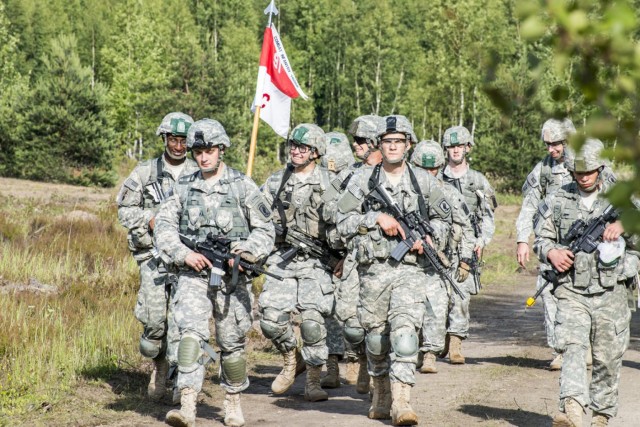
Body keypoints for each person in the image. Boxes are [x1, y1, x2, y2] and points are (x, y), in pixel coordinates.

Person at [154, 119, 275, 427]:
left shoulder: (242, 185)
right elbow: (165, 227)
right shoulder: (183, 185)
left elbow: (266, 229)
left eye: (208, 150)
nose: (202, 157)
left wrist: (245, 252)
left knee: (231, 343)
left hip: (231, 279)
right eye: (197, 151)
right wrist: (184, 254)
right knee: (191, 336)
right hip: (192, 275)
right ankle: (188, 404)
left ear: (221, 149)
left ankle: (232, 402)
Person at [335, 115, 455, 426]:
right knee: (376, 340)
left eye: (398, 142)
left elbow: (445, 220)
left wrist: (429, 238)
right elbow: (341, 222)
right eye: (387, 141)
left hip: (410, 270)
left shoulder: (423, 181)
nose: (392, 147)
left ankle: (403, 401)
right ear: (380, 144)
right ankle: (382, 392)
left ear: (408, 145)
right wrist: (374, 218)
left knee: (404, 335)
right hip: (373, 271)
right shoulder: (363, 180)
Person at [533, 138, 638, 427]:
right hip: (571, 289)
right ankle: (573, 411)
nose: (584, 177)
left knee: (607, 358)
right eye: (579, 172)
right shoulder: (556, 200)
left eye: (589, 171)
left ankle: (601, 416)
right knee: (573, 349)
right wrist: (552, 252)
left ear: (600, 169)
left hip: (612, 291)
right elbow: (541, 239)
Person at [116, 112, 197, 402]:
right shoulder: (144, 172)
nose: (178, 146)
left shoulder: (199, 171)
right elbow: (124, 210)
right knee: (154, 323)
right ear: (164, 139)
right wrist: (150, 218)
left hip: (186, 260)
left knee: (183, 320)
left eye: (183, 140)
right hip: (152, 256)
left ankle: (180, 380)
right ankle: (159, 365)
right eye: (173, 139)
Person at [259, 123, 337, 402]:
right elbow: (257, 218)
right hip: (282, 258)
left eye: (302, 147)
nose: (295, 151)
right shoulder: (275, 181)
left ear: (315, 152)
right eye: (293, 145)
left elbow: (343, 223)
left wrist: (341, 256)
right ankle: (291, 360)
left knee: (312, 323)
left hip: (316, 261)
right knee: (270, 320)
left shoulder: (330, 183)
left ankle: (313, 378)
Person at [322, 116, 384, 392]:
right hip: (355, 256)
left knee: (382, 322)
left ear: (374, 142)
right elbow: (332, 210)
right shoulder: (353, 175)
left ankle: (379, 375)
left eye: (360, 140)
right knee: (350, 320)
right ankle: (361, 359)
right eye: (355, 140)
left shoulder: (398, 174)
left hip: (389, 260)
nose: (354, 145)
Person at [409, 140, 475, 374]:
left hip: (439, 261)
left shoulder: (449, 193)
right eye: (422, 169)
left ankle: (430, 353)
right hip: (408, 262)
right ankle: (411, 351)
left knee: (435, 307)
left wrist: (466, 259)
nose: (428, 174)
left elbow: (466, 227)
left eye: (433, 169)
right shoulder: (404, 192)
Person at [440, 125, 497, 364]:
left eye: (459, 146)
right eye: (451, 146)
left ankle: (456, 342)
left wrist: (482, 242)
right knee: (438, 295)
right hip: (440, 244)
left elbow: (487, 216)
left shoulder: (478, 181)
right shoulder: (436, 177)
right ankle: (436, 341)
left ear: (468, 148)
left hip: (467, 244)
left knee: (461, 295)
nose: (455, 150)